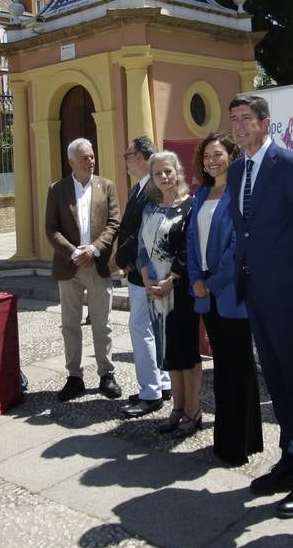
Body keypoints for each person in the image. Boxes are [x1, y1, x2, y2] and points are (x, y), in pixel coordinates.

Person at [227, 94, 293, 519]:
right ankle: (289, 459)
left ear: (266, 124)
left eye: (246, 118)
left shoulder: (289, 164)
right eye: (234, 120)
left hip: (286, 291)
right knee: (277, 381)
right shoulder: (235, 171)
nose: (239, 126)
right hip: (254, 291)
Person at [186, 131, 263, 465]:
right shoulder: (201, 193)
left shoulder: (240, 194)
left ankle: (242, 443)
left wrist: (212, 281)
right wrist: (195, 279)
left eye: (218, 155)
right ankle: (227, 439)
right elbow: (191, 242)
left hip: (231, 292)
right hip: (206, 293)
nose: (211, 161)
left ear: (232, 157)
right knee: (222, 367)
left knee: (240, 367)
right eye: (206, 156)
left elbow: (240, 247)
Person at [44, 138, 122, 403]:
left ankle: (106, 374)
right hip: (70, 267)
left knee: (103, 324)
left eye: (92, 156)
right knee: (70, 324)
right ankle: (74, 377)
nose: (91, 160)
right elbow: (51, 228)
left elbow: (114, 223)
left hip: (98, 264)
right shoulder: (57, 189)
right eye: (85, 157)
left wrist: (95, 249)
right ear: (71, 162)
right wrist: (73, 252)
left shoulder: (107, 186)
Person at [137, 150, 199, 435]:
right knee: (168, 352)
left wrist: (170, 280)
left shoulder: (190, 206)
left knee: (186, 351)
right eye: (157, 173)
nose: (163, 177)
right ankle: (176, 408)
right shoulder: (149, 207)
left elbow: (191, 248)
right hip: (154, 292)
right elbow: (141, 246)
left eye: (168, 171)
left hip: (180, 291)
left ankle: (193, 410)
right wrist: (145, 276)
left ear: (178, 173)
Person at [115, 135, 170, 418]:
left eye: (127, 155)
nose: (124, 161)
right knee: (153, 329)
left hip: (145, 272)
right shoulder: (141, 186)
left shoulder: (152, 188)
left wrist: (126, 260)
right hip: (140, 271)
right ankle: (162, 382)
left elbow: (146, 232)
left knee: (142, 330)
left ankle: (151, 393)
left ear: (140, 157)